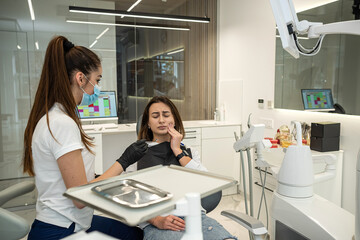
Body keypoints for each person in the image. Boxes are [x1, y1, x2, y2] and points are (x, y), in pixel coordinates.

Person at [22, 36, 147, 240]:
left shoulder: (53, 116)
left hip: (66, 220)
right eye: (97, 80)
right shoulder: (61, 123)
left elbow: (74, 179)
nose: (97, 88)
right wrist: (124, 161)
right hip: (62, 229)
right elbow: (80, 198)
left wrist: (104, 178)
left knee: (132, 232)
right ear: (80, 79)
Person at [132, 96, 237, 240]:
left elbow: (208, 181)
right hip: (158, 223)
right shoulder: (136, 154)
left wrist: (177, 151)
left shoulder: (189, 152)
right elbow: (133, 200)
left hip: (194, 217)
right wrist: (157, 220)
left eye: (166, 115)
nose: (162, 120)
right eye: (155, 116)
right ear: (148, 123)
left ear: (174, 120)